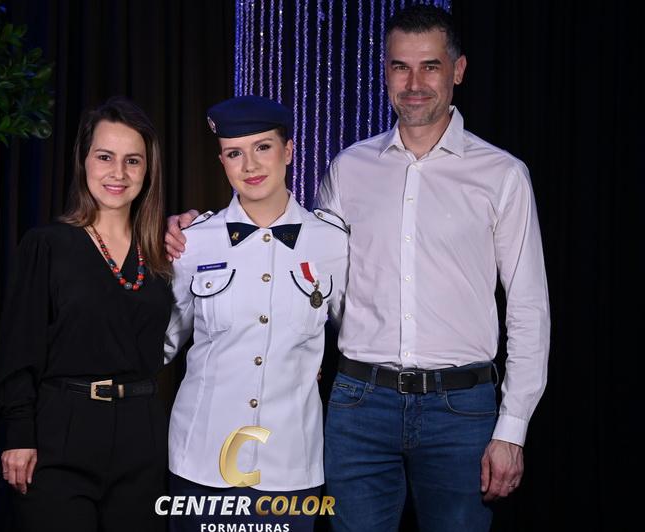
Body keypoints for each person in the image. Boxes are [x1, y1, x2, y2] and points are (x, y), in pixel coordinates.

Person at [166, 5, 550, 531]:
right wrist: (193, 233)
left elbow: (529, 308)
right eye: (400, 67)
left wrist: (513, 427)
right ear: (385, 72)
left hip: (461, 410)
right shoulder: (348, 169)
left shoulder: (502, 175)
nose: (414, 84)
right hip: (360, 405)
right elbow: (309, 273)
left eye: (430, 66)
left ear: (458, 70)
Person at [163, 95, 348, 532]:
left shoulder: (332, 242)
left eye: (263, 147)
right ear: (222, 162)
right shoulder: (193, 242)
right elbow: (162, 343)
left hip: (290, 466)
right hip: (200, 460)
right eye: (234, 153)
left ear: (288, 151)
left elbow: (358, 339)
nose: (250, 165)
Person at [0, 96, 173, 531]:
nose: (118, 173)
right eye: (105, 157)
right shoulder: (48, 245)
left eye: (133, 160)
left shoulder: (166, 253)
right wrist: (19, 434)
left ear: (148, 170)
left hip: (143, 436)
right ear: (84, 161)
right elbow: (19, 347)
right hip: (62, 434)